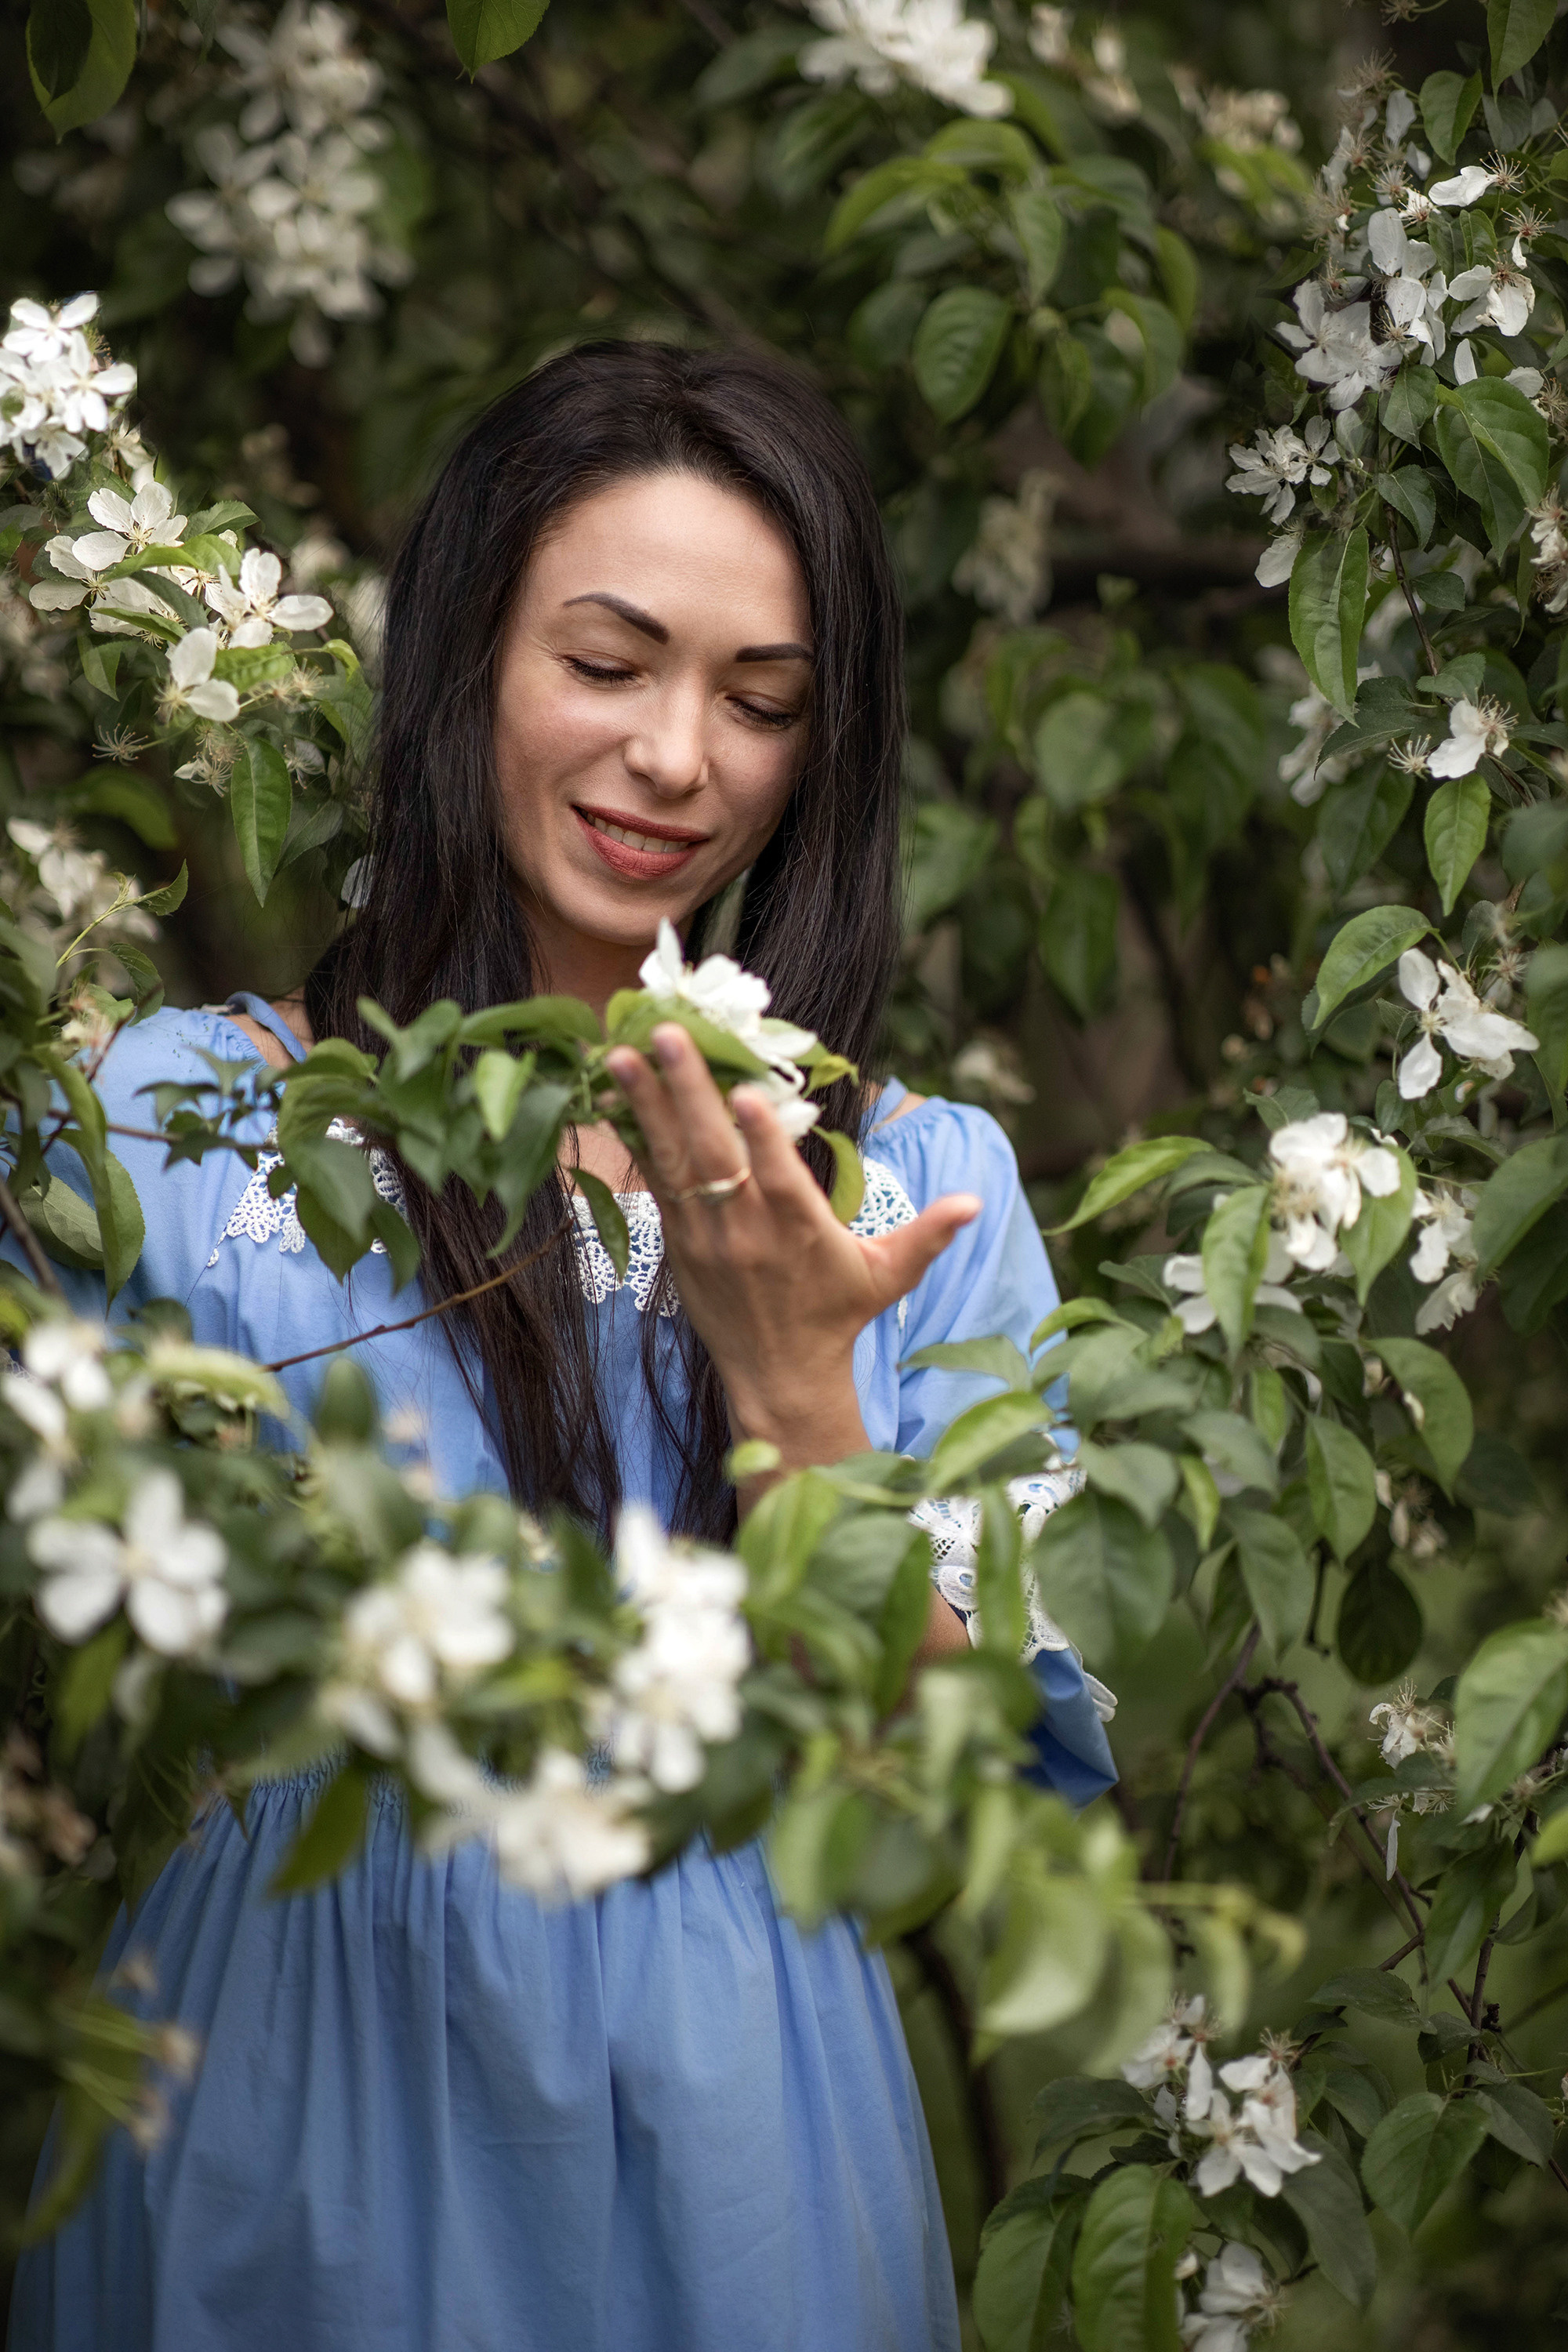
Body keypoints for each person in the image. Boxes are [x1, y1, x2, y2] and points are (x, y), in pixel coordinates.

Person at [8, 343, 1114, 2352]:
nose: (679, 757)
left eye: (761, 702)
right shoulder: (179, 1132)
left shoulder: (910, 1190)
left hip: (742, 2139)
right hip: (275, 2101)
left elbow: (962, 1826)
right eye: (608, 663)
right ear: (462, 666)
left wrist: (792, 1388)